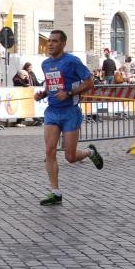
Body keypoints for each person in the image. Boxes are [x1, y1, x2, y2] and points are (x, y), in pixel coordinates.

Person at [34, 29, 104, 206]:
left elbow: (89, 82)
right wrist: (43, 94)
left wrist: (70, 92)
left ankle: (90, 152)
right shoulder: (45, 64)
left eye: (55, 41)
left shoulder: (72, 61)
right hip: (52, 112)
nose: (50, 44)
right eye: (49, 41)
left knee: (70, 157)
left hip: (70, 112)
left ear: (63, 44)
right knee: (49, 151)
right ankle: (55, 192)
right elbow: (52, 86)